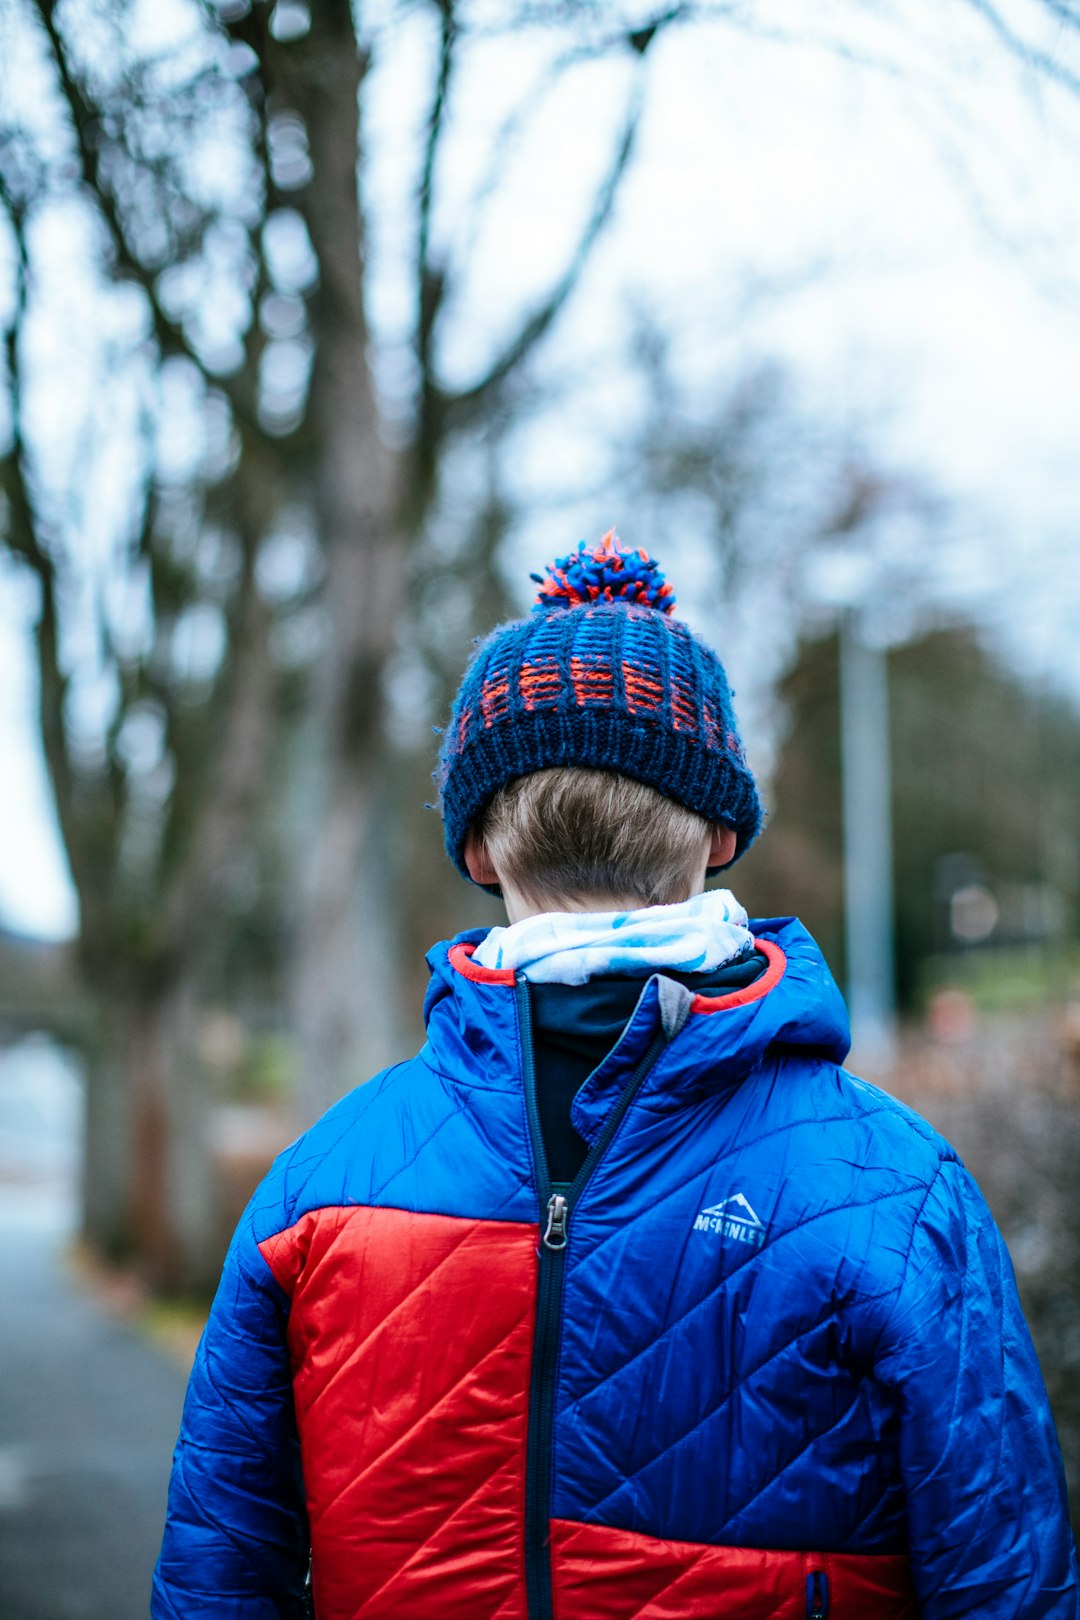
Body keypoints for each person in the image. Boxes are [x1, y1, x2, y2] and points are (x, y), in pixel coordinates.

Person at [153, 532, 1079, 1620]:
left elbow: (219, 1581)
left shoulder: (316, 1192)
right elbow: (1008, 1581)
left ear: (478, 853)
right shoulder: (901, 1191)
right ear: (723, 831)